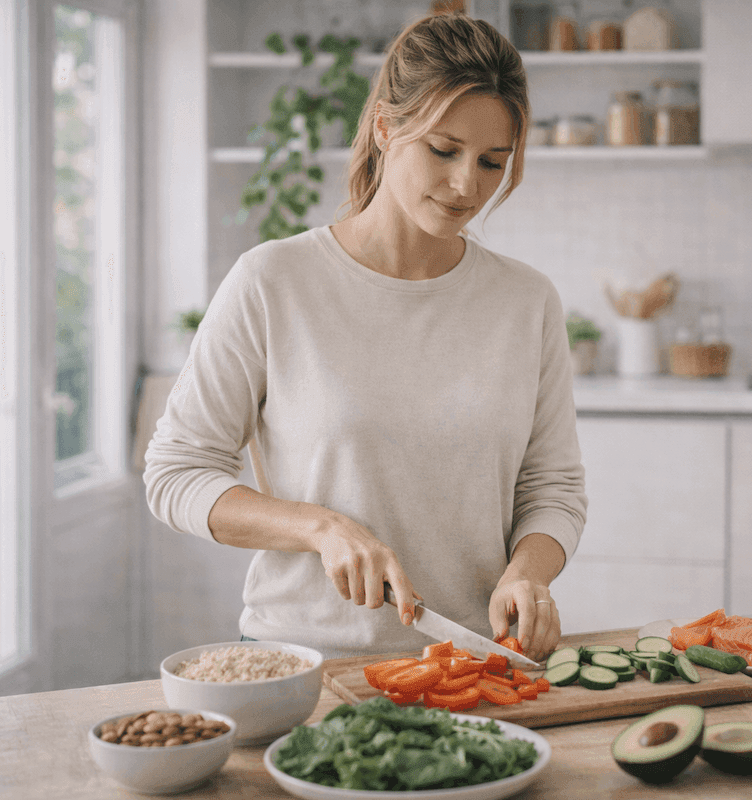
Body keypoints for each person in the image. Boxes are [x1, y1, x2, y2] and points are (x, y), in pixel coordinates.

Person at [144, 12, 586, 663]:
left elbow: (553, 489)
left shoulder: (526, 301)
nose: (469, 185)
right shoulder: (274, 281)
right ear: (385, 127)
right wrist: (320, 528)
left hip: (469, 662)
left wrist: (528, 572)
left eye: (494, 161)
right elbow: (175, 474)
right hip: (303, 667)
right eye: (444, 150)